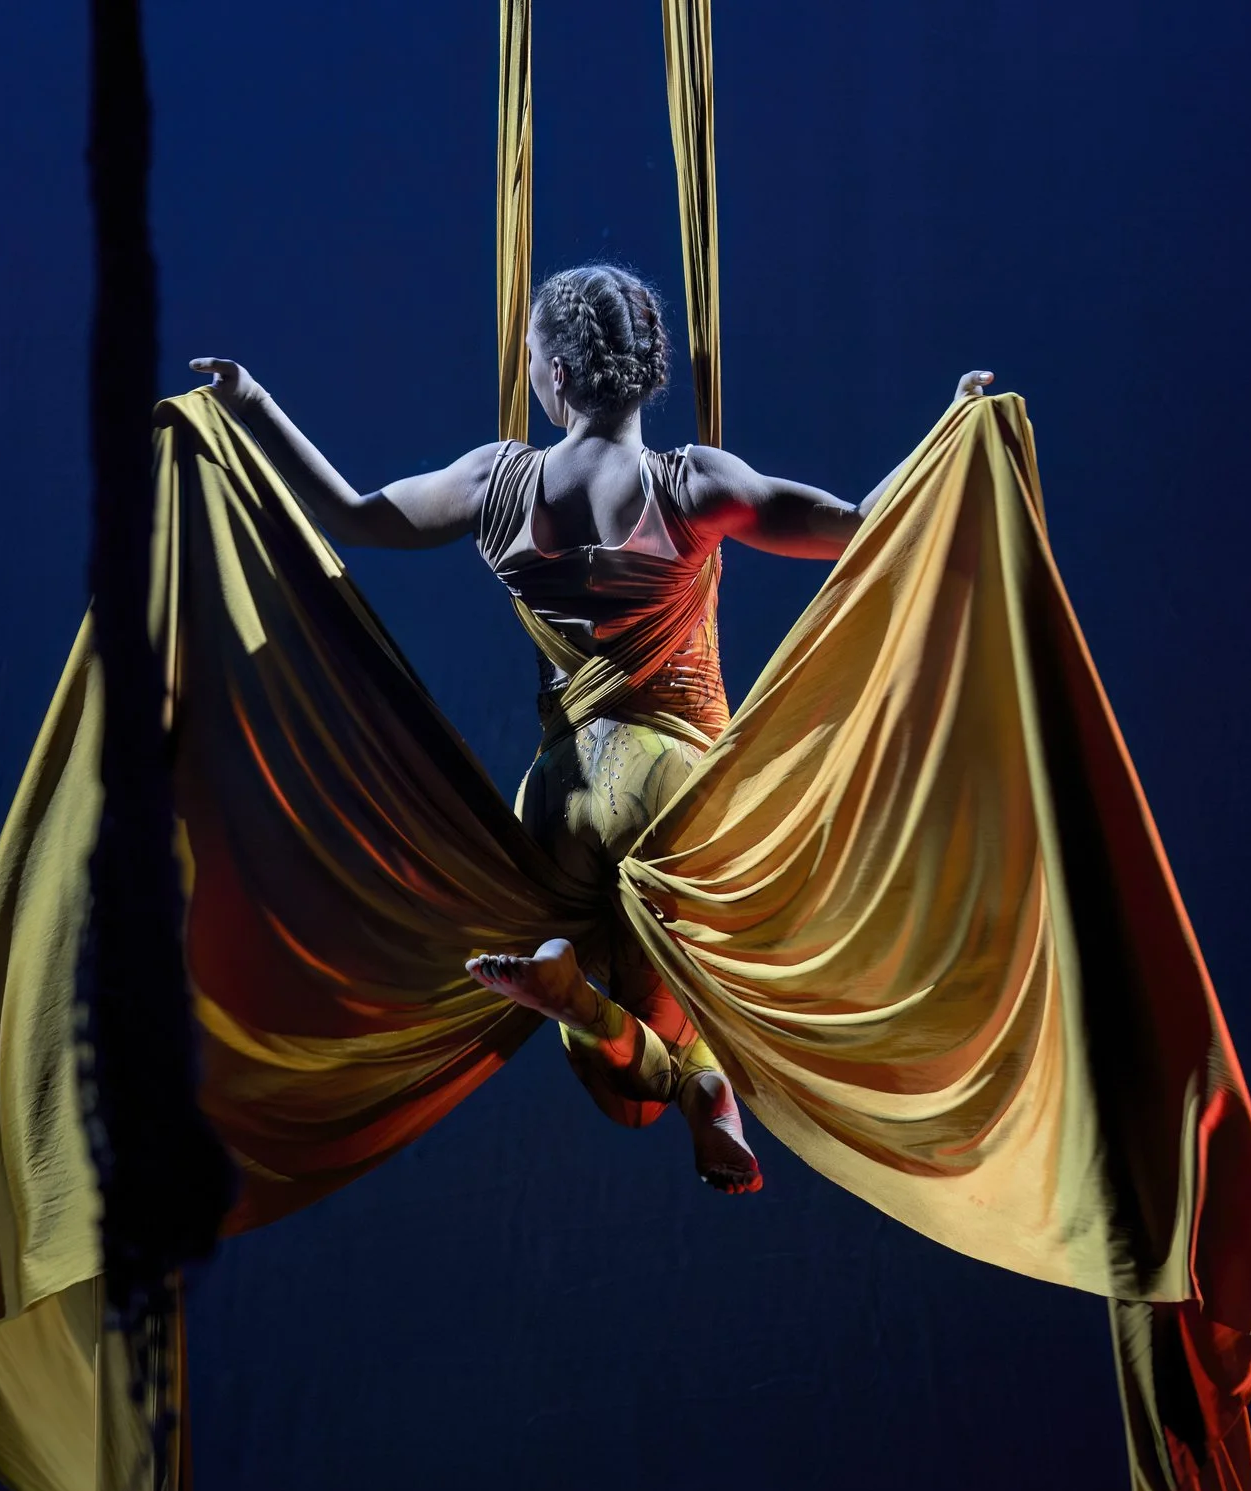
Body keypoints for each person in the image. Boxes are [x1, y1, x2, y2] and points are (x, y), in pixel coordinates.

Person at [192, 262, 991, 1196]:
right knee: (695, 1008)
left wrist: (252, 403)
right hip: (677, 786)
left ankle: (607, 1020)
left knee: (629, 1076)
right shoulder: (691, 485)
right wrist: (946, 433)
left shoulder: (496, 483)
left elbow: (352, 517)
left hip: (557, 798)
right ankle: (654, 1051)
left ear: (558, 378)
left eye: (530, 351)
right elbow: (860, 525)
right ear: (647, 372)